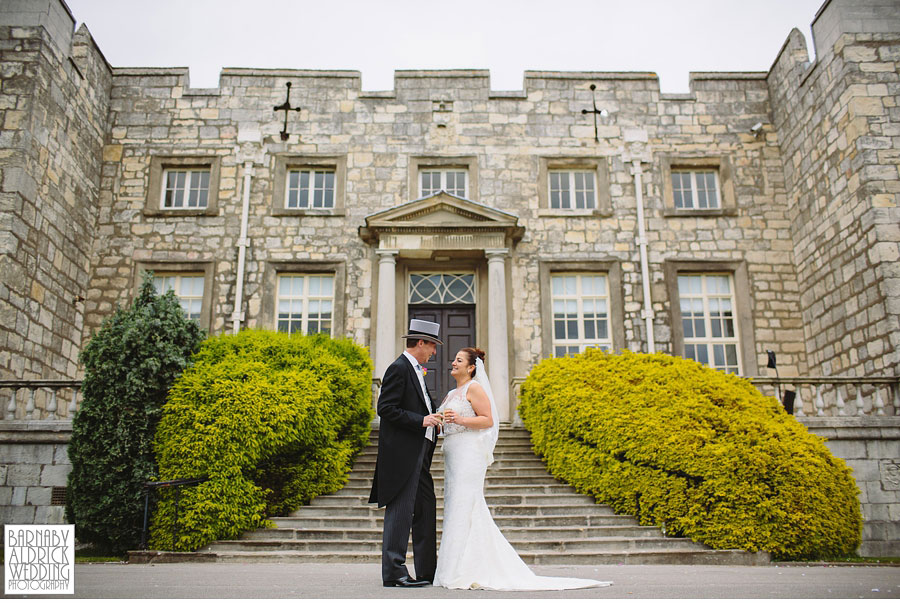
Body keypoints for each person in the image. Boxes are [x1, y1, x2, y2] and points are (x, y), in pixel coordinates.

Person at [434, 347, 612, 591]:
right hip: (453, 454)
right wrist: (441, 421)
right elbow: (448, 421)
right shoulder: (452, 393)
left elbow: (487, 420)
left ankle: (465, 568)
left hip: (468, 454)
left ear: (471, 367)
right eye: (454, 359)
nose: (453, 363)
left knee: (467, 506)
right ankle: (452, 567)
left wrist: (460, 420)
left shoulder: (474, 388)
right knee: (455, 507)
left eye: (459, 360)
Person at [368, 319, 445, 588]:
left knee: (425, 507)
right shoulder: (399, 368)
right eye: (433, 346)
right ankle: (394, 572)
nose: (434, 352)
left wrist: (433, 419)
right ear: (421, 343)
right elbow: (385, 408)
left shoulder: (415, 370)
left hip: (420, 451)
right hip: (403, 454)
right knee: (400, 511)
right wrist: (421, 420)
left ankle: (426, 571)